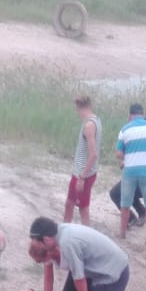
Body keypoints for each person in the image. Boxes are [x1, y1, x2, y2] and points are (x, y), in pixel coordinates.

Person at [115, 103, 146, 246]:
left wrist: (127, 157)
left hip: (129, 171)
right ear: (143, 113)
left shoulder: (124, 129)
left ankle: (122, 233)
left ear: (130, 115)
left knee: (125, 203)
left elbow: (118, 153)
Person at [109, 124, 146, 229]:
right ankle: (141, 213)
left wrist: (124, 162)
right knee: (127, 188)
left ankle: (131, 218)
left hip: (142, 180)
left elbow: (129, 164)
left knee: (115, 192)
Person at [64, 94, 102, 227]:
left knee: (83, 208)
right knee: (69, 203)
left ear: (78, 108)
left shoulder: (89, 126)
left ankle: (88, 237)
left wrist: (82, 177)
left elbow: (93, 155)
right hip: (82, 172)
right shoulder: (96, 119)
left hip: (84, 173)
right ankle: (65, 229)